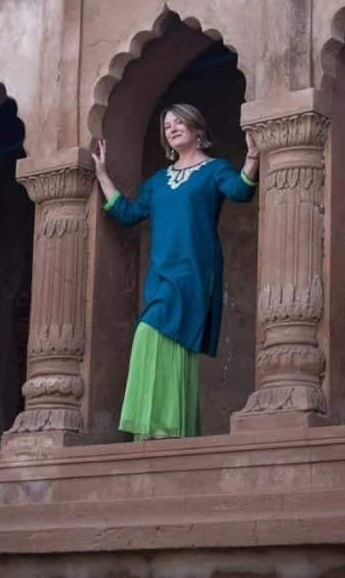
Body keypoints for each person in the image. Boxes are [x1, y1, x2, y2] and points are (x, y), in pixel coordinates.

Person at [91, 103, 260, 441]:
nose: (172, 127)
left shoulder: (215, 170)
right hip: (161, 275)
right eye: (167, 124)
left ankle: (166, 430)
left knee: (163, 338)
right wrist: (102, 176)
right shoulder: (157, 181)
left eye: (180, 121)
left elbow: (240, 191)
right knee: (153, 337)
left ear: (198, 130)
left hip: (195, 271)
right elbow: (127, 213)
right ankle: (160, 432)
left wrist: (253, 159)